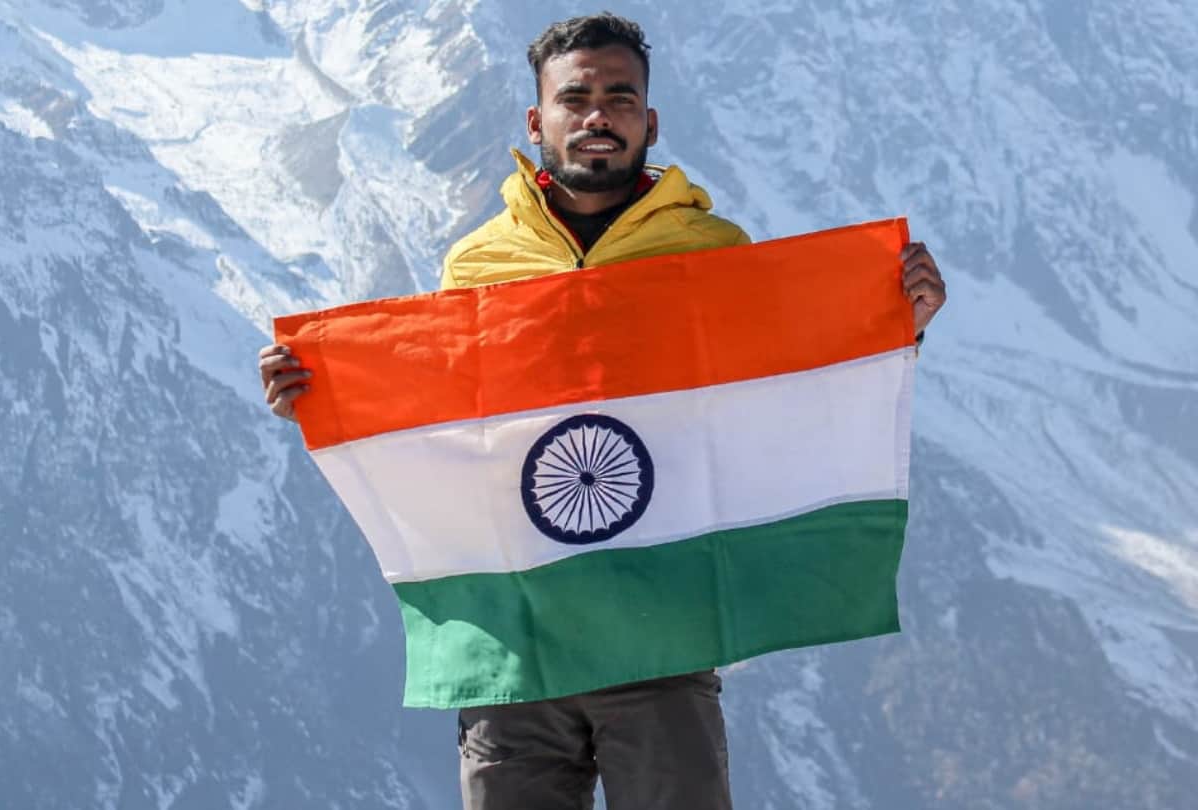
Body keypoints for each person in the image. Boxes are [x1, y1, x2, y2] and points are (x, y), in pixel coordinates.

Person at [259, 13, 947, 810]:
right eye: (575, 98)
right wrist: (328, 402)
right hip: (520, 649)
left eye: (620, 98)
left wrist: (896, 327)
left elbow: (778, 405)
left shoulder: (710, 254)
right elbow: (450, 434)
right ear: (537, 121)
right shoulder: (478, 266)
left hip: (664, 636)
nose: (598, 116)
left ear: (650, 121)